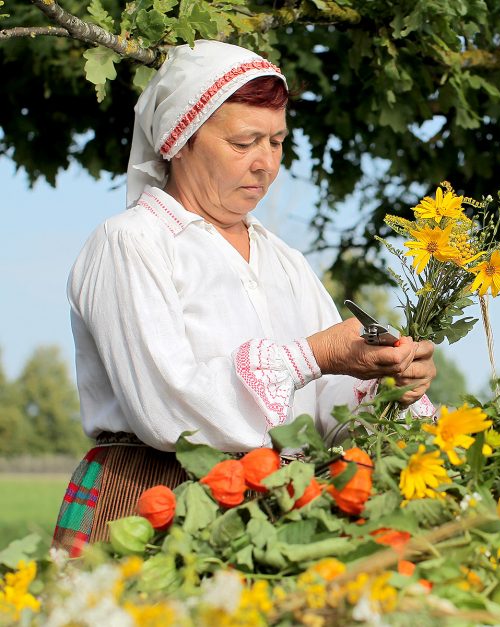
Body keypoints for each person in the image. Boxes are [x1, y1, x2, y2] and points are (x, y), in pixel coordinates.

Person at [51, 40, 437, 557]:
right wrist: (314, 354)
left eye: (277, 142)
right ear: (178, 140)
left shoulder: (285, 262)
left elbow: (324, 411)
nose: (266, 164)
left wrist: (388, 382)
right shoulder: (133, 243)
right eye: (244, 142)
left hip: (275, 508)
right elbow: (169, 409)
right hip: (150, 501)